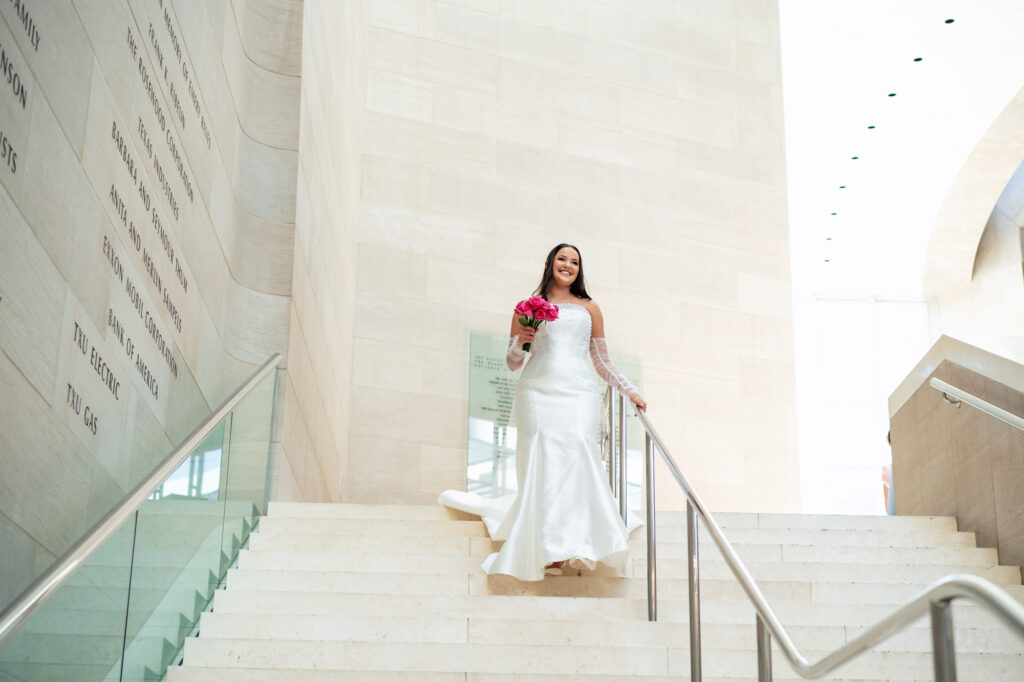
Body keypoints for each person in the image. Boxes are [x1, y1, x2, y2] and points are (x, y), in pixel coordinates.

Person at [442, 243, 646, 581]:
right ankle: (545, 548)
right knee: (541, 460)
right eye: (563, 259)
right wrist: (522, 339)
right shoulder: (526, 308)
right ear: (550, 263)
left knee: (580, 449)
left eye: (575, 262)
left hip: (579, 392)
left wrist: (632, 391)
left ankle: (580, 539)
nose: (568, 265)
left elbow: (602, 362)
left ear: (580, 270)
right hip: (537, 391)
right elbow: (512, 363)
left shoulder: (590, 308)